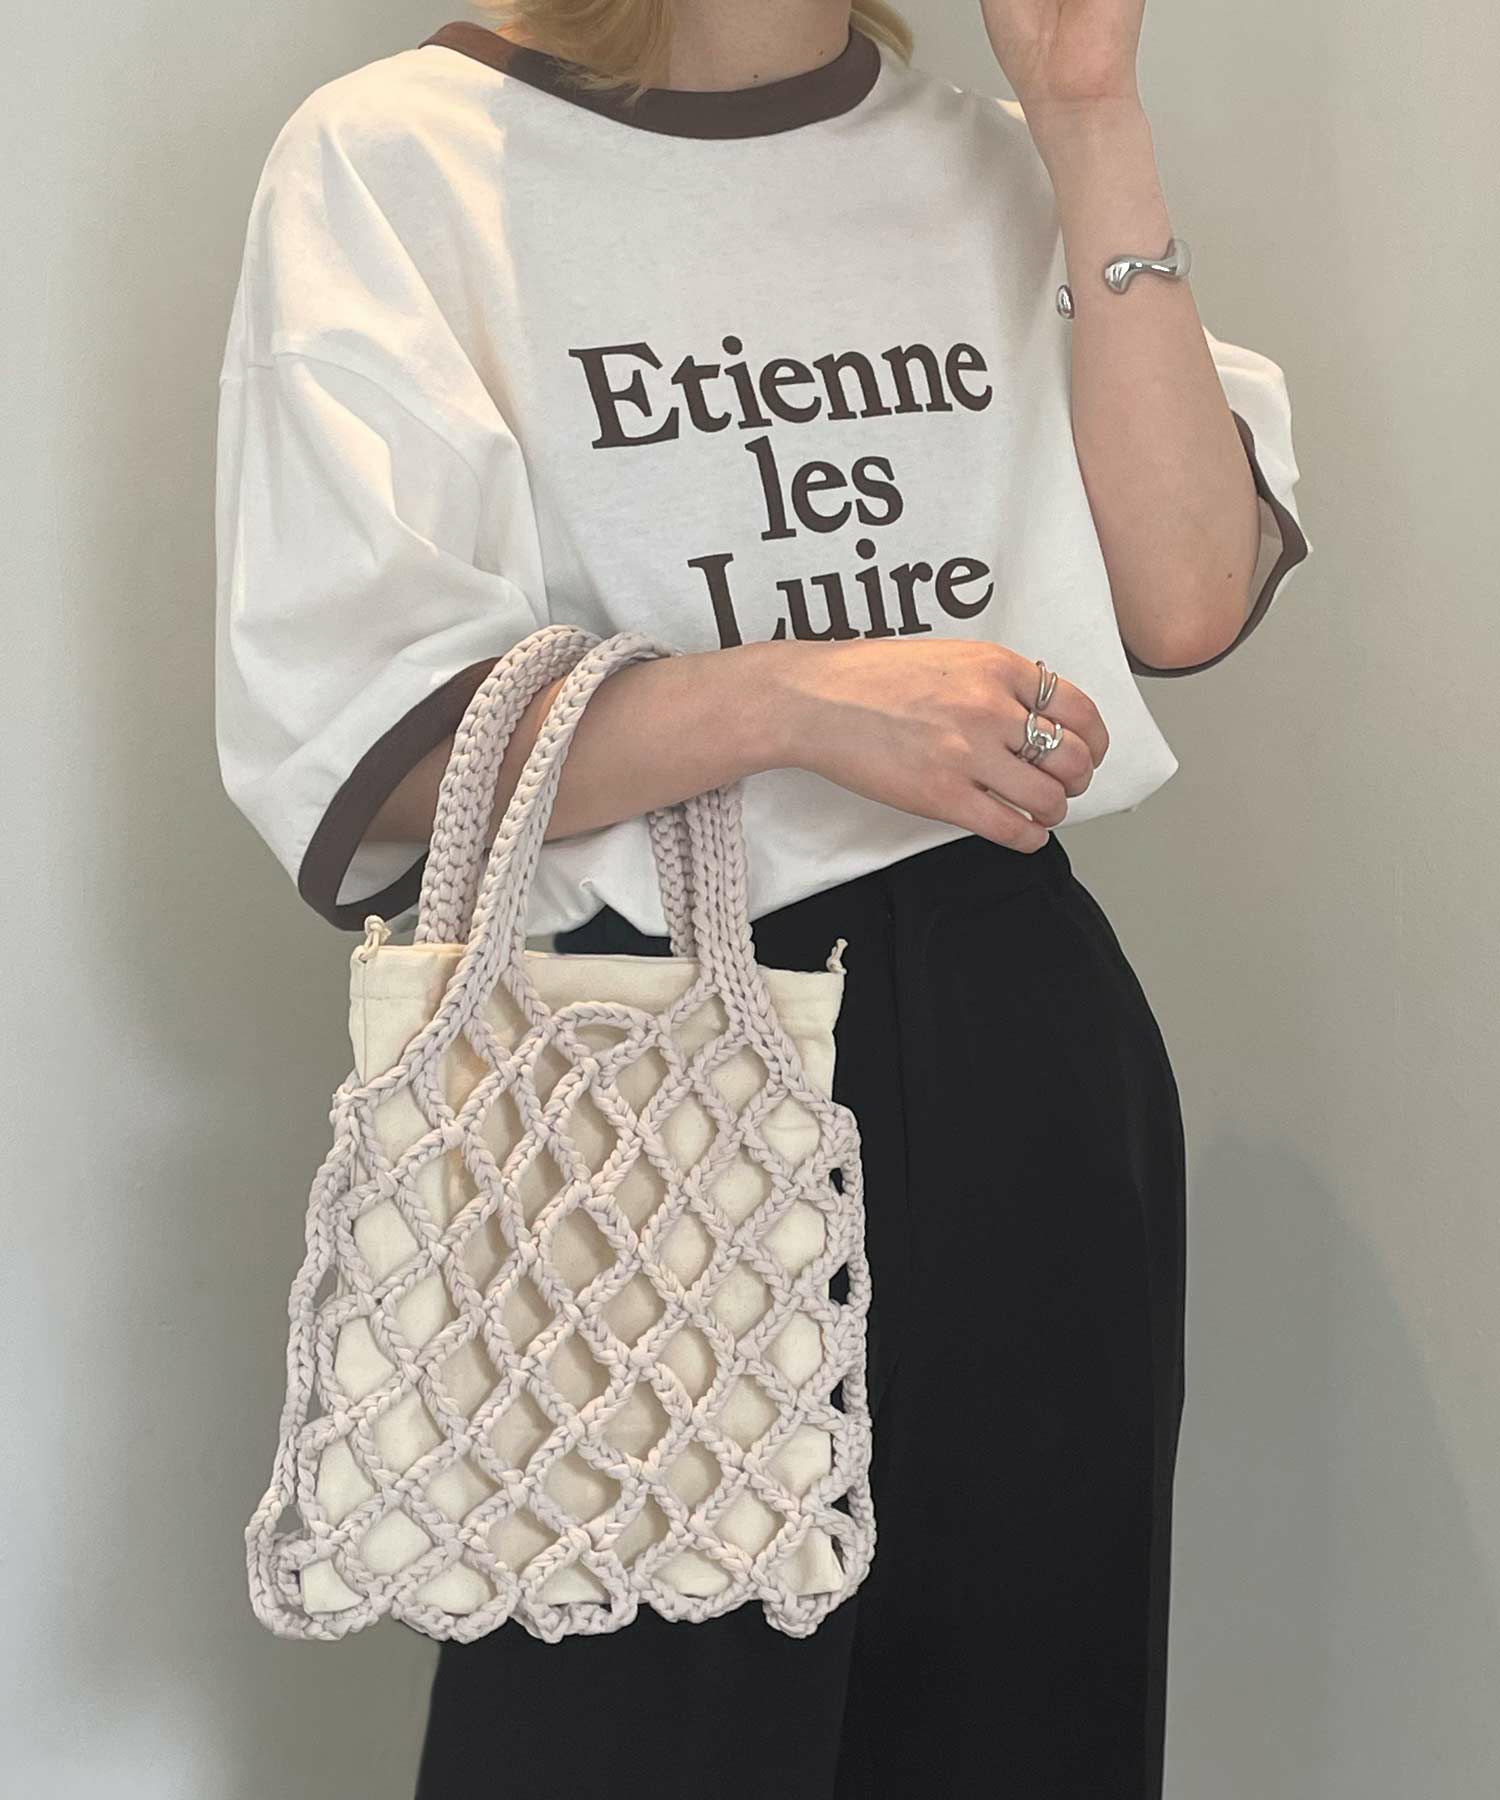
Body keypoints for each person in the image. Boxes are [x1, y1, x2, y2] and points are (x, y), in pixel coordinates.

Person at [214, 3, 1312, 1794]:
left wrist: (1092, 111)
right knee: (622, 1740)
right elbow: (357, 737)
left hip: (1014, 1027)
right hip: (629, 1061)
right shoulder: (402, 157)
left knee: (1028, 1723)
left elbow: (1187, 596)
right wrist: (794, 699)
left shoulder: (991, 157)